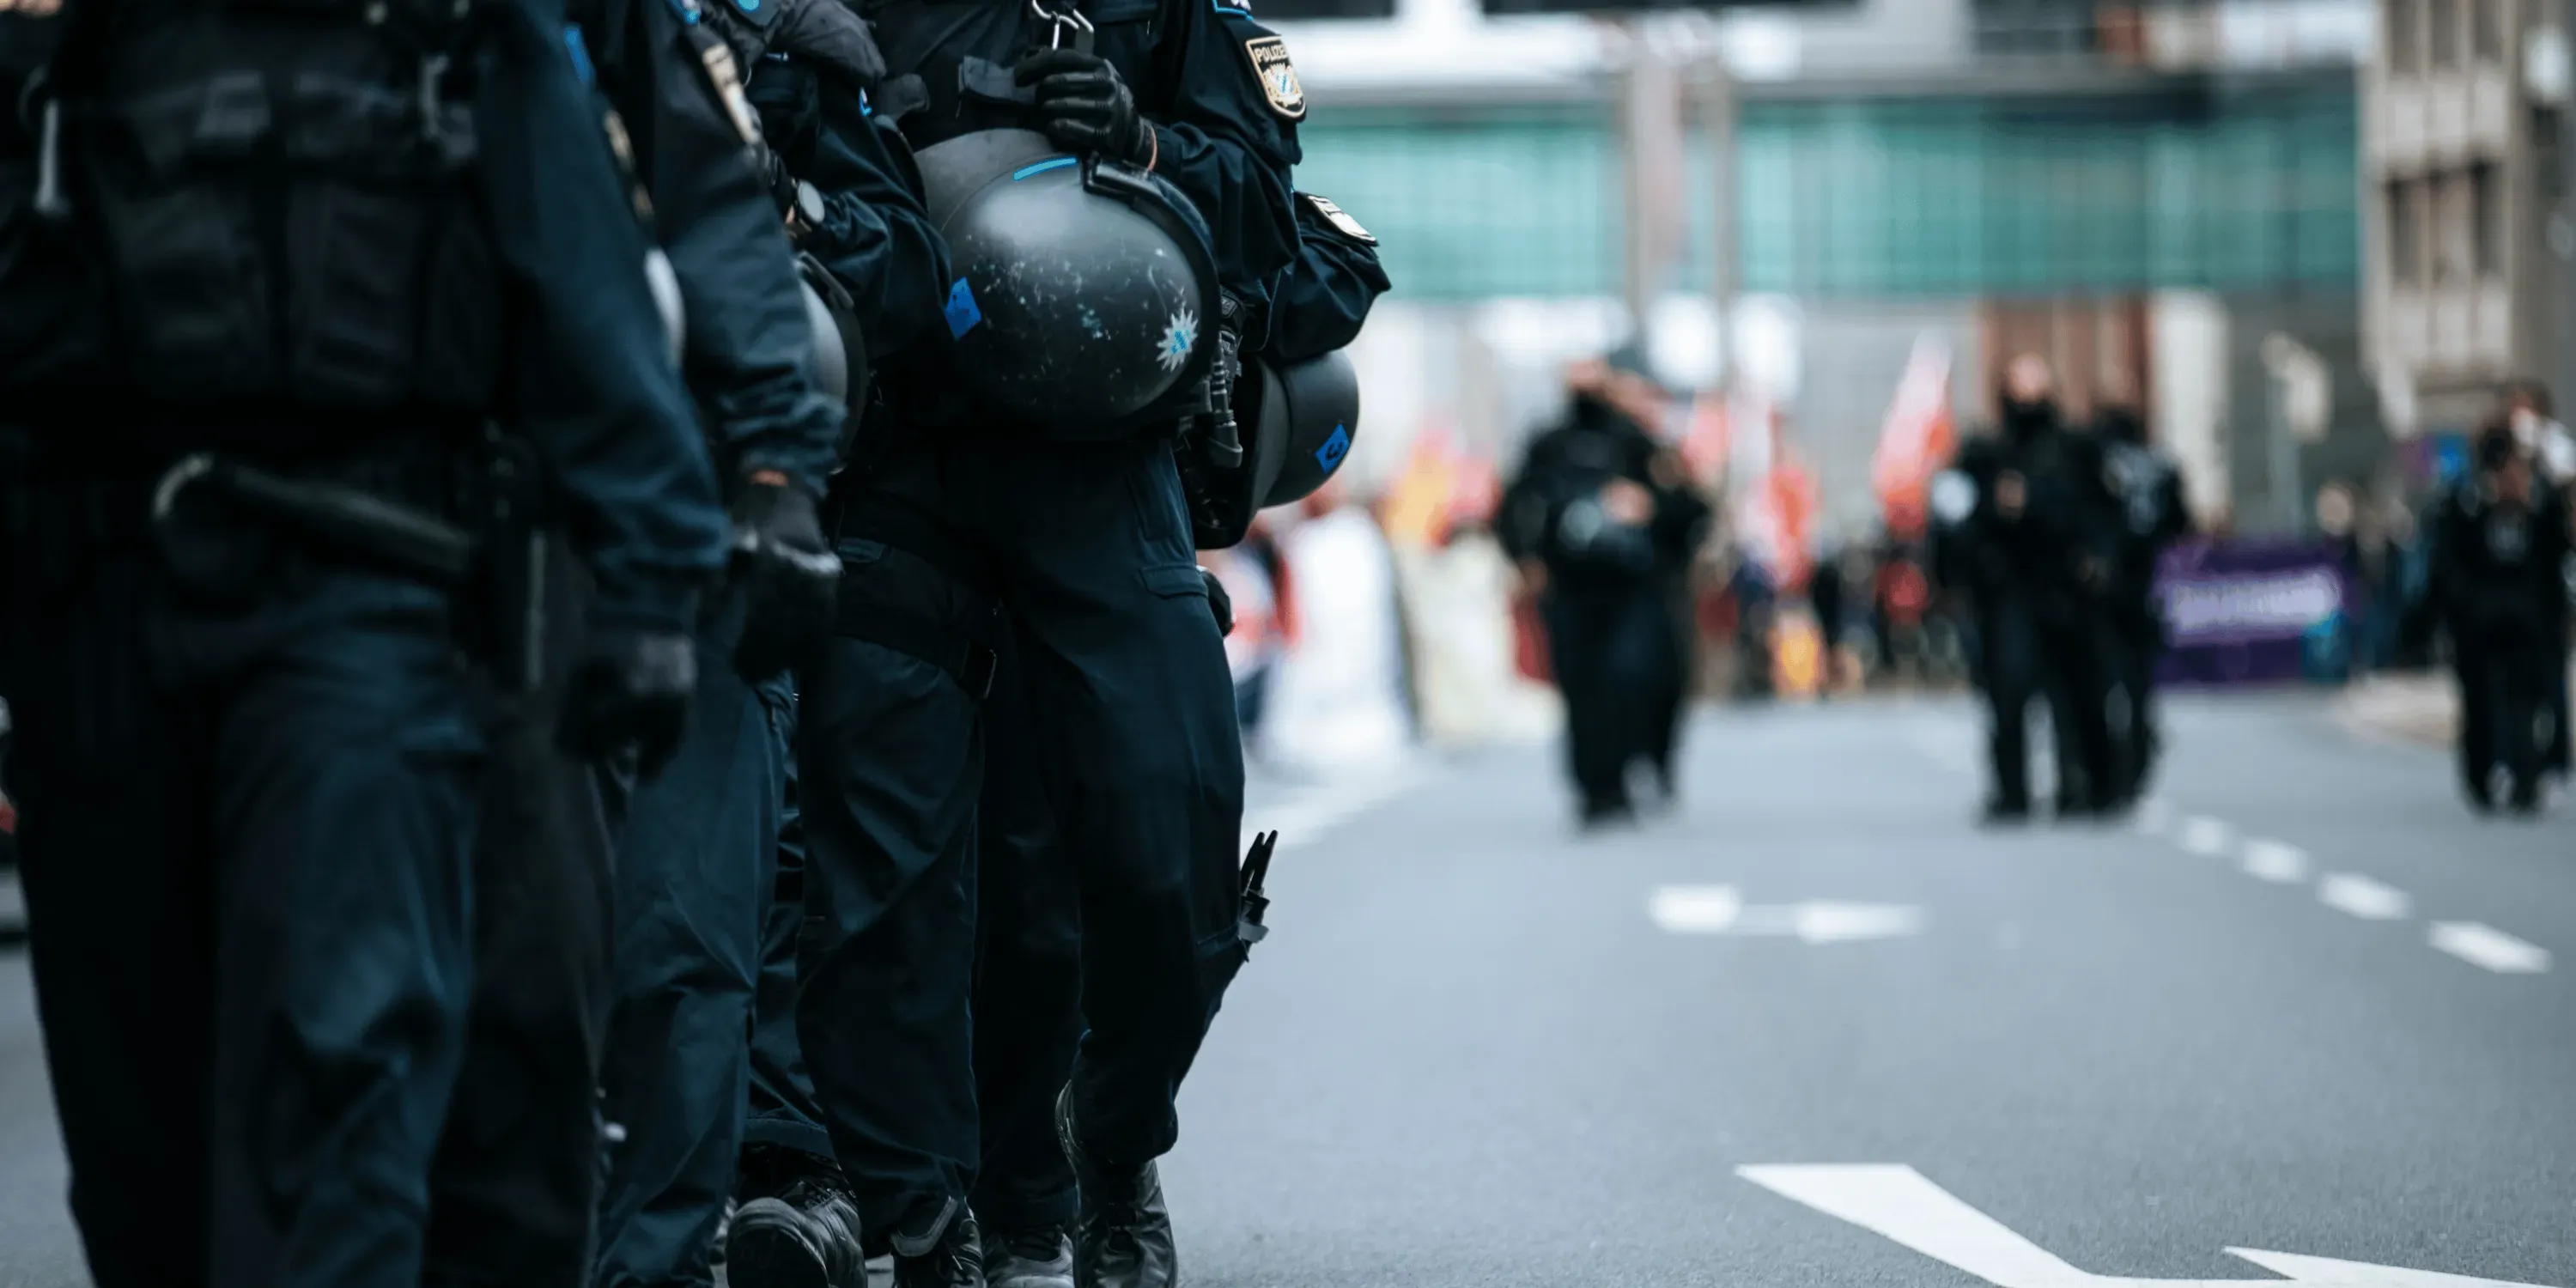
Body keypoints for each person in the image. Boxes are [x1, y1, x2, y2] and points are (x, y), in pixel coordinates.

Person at [0, 3, 732, 1286]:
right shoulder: (68, 36)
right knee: (141, 1162)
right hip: (101, 622)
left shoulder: (457, 23)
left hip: (362, 608)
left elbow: (583, 271)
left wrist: (655, 578)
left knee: (334, 1097)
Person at [758, 0, 1304, 1281]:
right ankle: (922, 1219)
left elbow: (1269, 222)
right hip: (898, 457)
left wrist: (1144, 144)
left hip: (1100, 454)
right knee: (876, 877)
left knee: (1170, 833)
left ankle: (1110, 1140)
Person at [1499, 354, 1712, 826]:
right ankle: (1596, 788)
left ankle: (1631, 770)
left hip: (1631, 590)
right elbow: (1514, 506)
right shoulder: (1549, 445)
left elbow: (1691, 509)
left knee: (1631, 678)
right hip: (1570, 588)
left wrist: (1648, 506)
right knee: (1581, 689)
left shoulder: (1637, 443)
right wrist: (1526, 559)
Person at [1936, 355, 2121, 821]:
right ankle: (2012, 791)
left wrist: (2093, 556)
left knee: (2077, 694)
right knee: (2009, 693)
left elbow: (2100, 515)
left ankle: (2083, 783)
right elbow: (1957, 522)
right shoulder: (1985, 455)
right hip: (2009, 594)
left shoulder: (2074, 451)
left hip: (2065, 592)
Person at [2433, 419, 2571, 813]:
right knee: (2482, 703)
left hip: (2527, 622)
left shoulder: (2538, 502)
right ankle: (2484, 775)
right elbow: (2449, 563)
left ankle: (2528, 775)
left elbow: (2554, 556)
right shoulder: (2467, 502)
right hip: (2479, 624)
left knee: (2528, 701)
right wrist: (2458, 612)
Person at [2093, 404, 2189, 806]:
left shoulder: (2102, 465)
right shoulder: (2160, 467)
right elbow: (2180, 524)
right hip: (2143, 588)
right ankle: (2131, 761)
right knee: (2134, 687)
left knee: (2113, 685)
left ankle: (2121, 767)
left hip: (2113, 593)